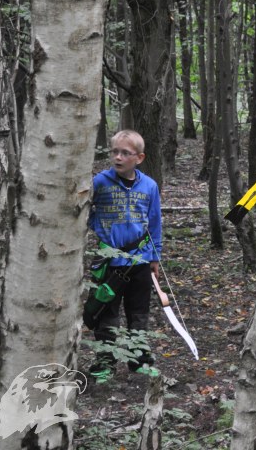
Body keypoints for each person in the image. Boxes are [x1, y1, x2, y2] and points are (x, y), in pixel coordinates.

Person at [86, 130, 163, 382]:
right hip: (107, 262)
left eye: (125, 153)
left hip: (139, 262)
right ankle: (105, 361)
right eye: (114, 152)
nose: (118, 157)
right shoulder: (99, 182)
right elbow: (84, 213)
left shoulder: (149, 186)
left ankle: (138, 359)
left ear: (139, 158)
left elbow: (154, 224)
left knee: (138, 312)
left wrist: (154, 257)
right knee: (105, 313)